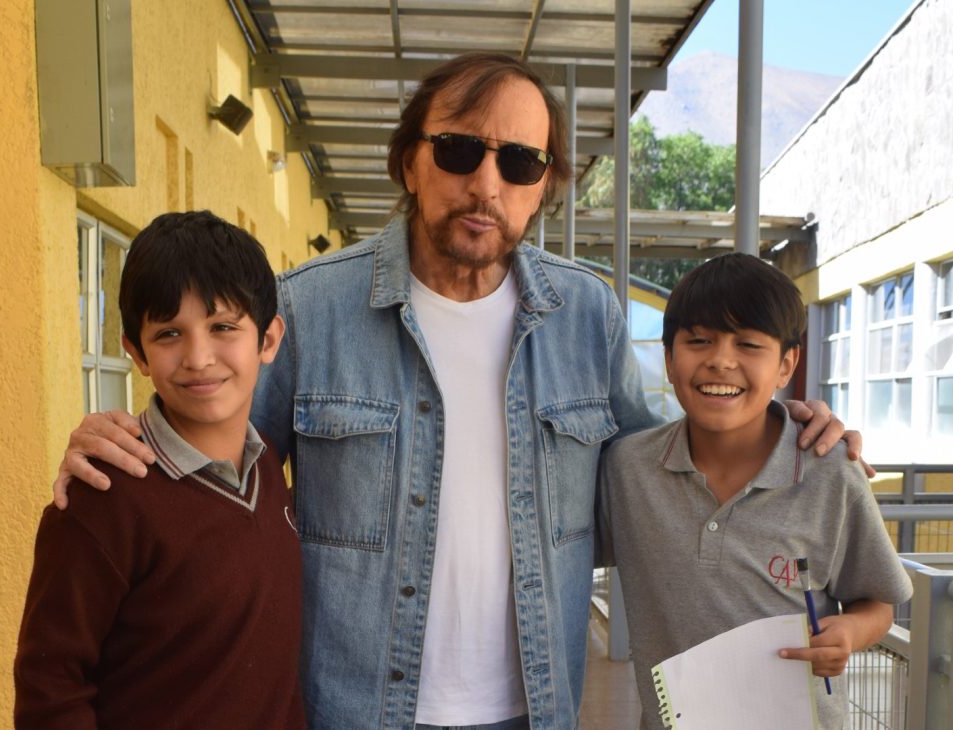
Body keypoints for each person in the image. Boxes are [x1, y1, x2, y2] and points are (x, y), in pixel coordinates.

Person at [51, 54, 858, 729]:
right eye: (459, 151)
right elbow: (216, 461)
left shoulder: (586, 316)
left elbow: (665, 475)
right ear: (409, 160)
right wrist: (121, 444)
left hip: (530, 707)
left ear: (543, 185)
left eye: (519, 162)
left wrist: (783, 427)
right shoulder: (308, 308)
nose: (487, 184)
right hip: (352, 709)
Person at [14, 211, 304, 728]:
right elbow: (49, 689)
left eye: (222, 327)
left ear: (268, 340)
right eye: (169, 333)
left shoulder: (268, 472)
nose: (198, 357)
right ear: (136, 353)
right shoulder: (102, 498)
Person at [597, 253, 911, 729]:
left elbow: (879, 603)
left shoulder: (831, 476)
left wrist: (847, 631)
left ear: (787, 364)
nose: (721, 361)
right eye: (698, 340)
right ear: (668, 358)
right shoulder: (627, 470)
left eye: (748, 344)